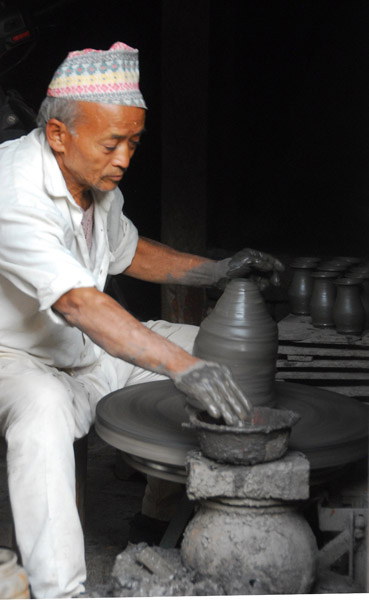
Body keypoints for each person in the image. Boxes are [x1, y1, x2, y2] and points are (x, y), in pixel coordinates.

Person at [0, 42, 284, 598]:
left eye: (133, 141)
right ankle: (63, 589)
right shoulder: (12, 190)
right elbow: (78, 301)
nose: (125, 157)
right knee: (44, 413)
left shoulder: (96, 182)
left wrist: (217, 272)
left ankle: (156, 516)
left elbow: (128, 253)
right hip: (16, 361)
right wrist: (180, 365)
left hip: (87, 349)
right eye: (113, 143)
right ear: (59, 134)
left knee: (220, 354)